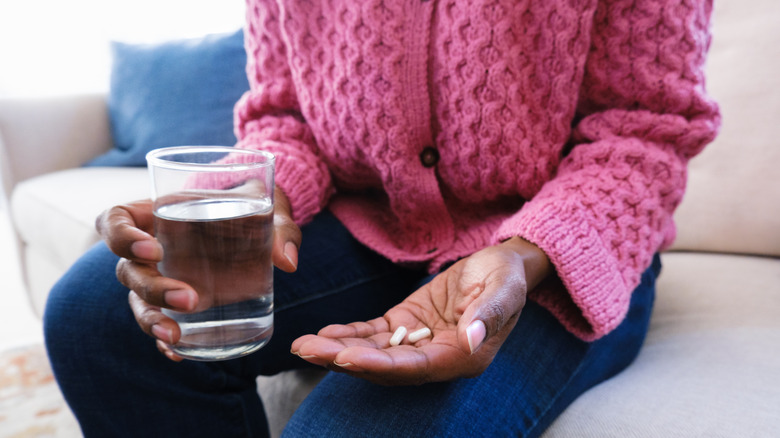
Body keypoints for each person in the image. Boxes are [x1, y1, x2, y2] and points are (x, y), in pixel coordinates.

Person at [44, 0, 720, 436]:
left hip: (561, 248)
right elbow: (284, 114)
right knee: (93, 314)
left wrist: (523, 253)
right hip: (369, 225)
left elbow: (645, 136)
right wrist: (254, 194)